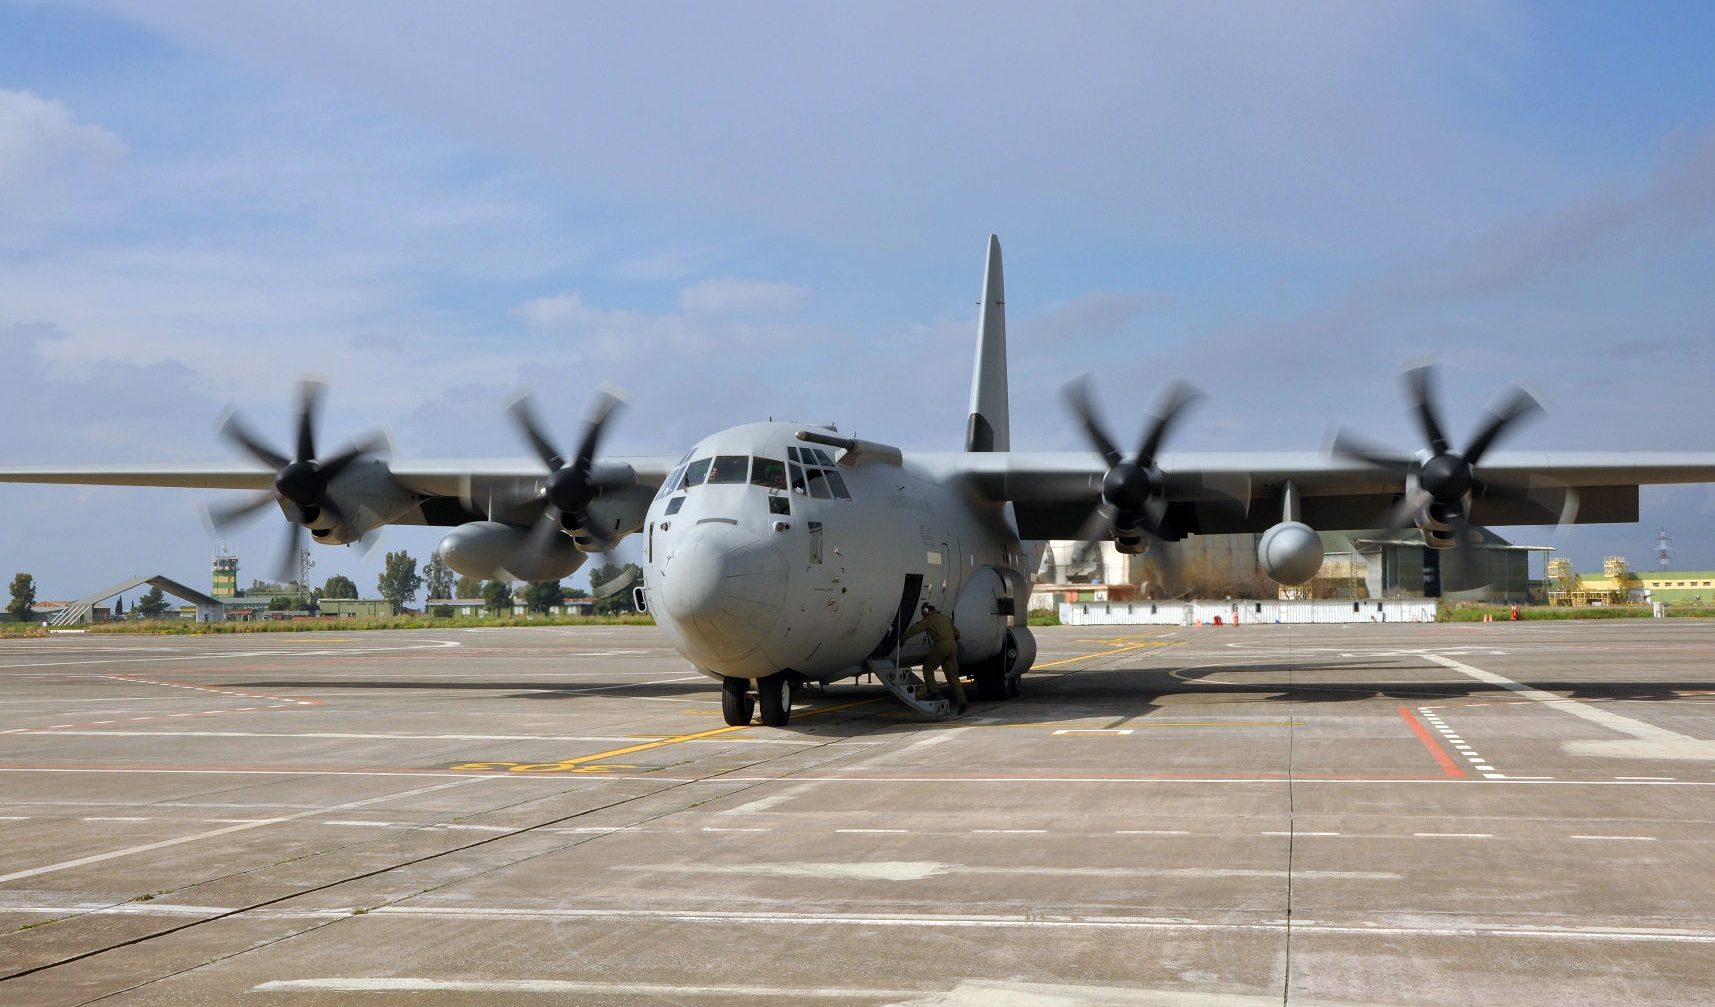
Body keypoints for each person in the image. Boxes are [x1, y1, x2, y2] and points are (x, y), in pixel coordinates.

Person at [902, 602, 966, 713]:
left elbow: (915, 629)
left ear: (926, 611)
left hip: (942, 646)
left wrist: (903, 638)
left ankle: (935, 693)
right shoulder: (946, 618)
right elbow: (958, 634)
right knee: (953, 676)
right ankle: (963, 703)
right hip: (953, 647)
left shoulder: (929, 620)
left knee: (927, 669)